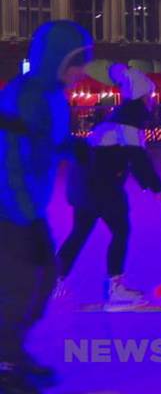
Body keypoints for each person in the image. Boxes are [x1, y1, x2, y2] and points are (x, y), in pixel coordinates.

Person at [0, 21, 93, 393]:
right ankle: (5, 365)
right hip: (9, 208)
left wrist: (71, 146)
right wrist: (24, 217)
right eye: (76, 62)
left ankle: (12, 353)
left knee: (43, 277)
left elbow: (45, 140)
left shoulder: (53, 95)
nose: (81, 71)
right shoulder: (25, 95)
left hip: (27, 207)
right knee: (20, 284)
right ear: (55, 60)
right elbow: (11, 158)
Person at [55, 64, 161, 309]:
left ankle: (52, 282)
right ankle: (116, 290)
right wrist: (158, 188)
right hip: (100, 185)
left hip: (84, 183)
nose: (152, 99)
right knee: (120, 231)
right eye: (150, 95)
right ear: (141, 96)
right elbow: (137, 156)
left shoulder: (120, 117)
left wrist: (150, 184)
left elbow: (133, 157)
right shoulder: (129, 120)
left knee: (79, 233)